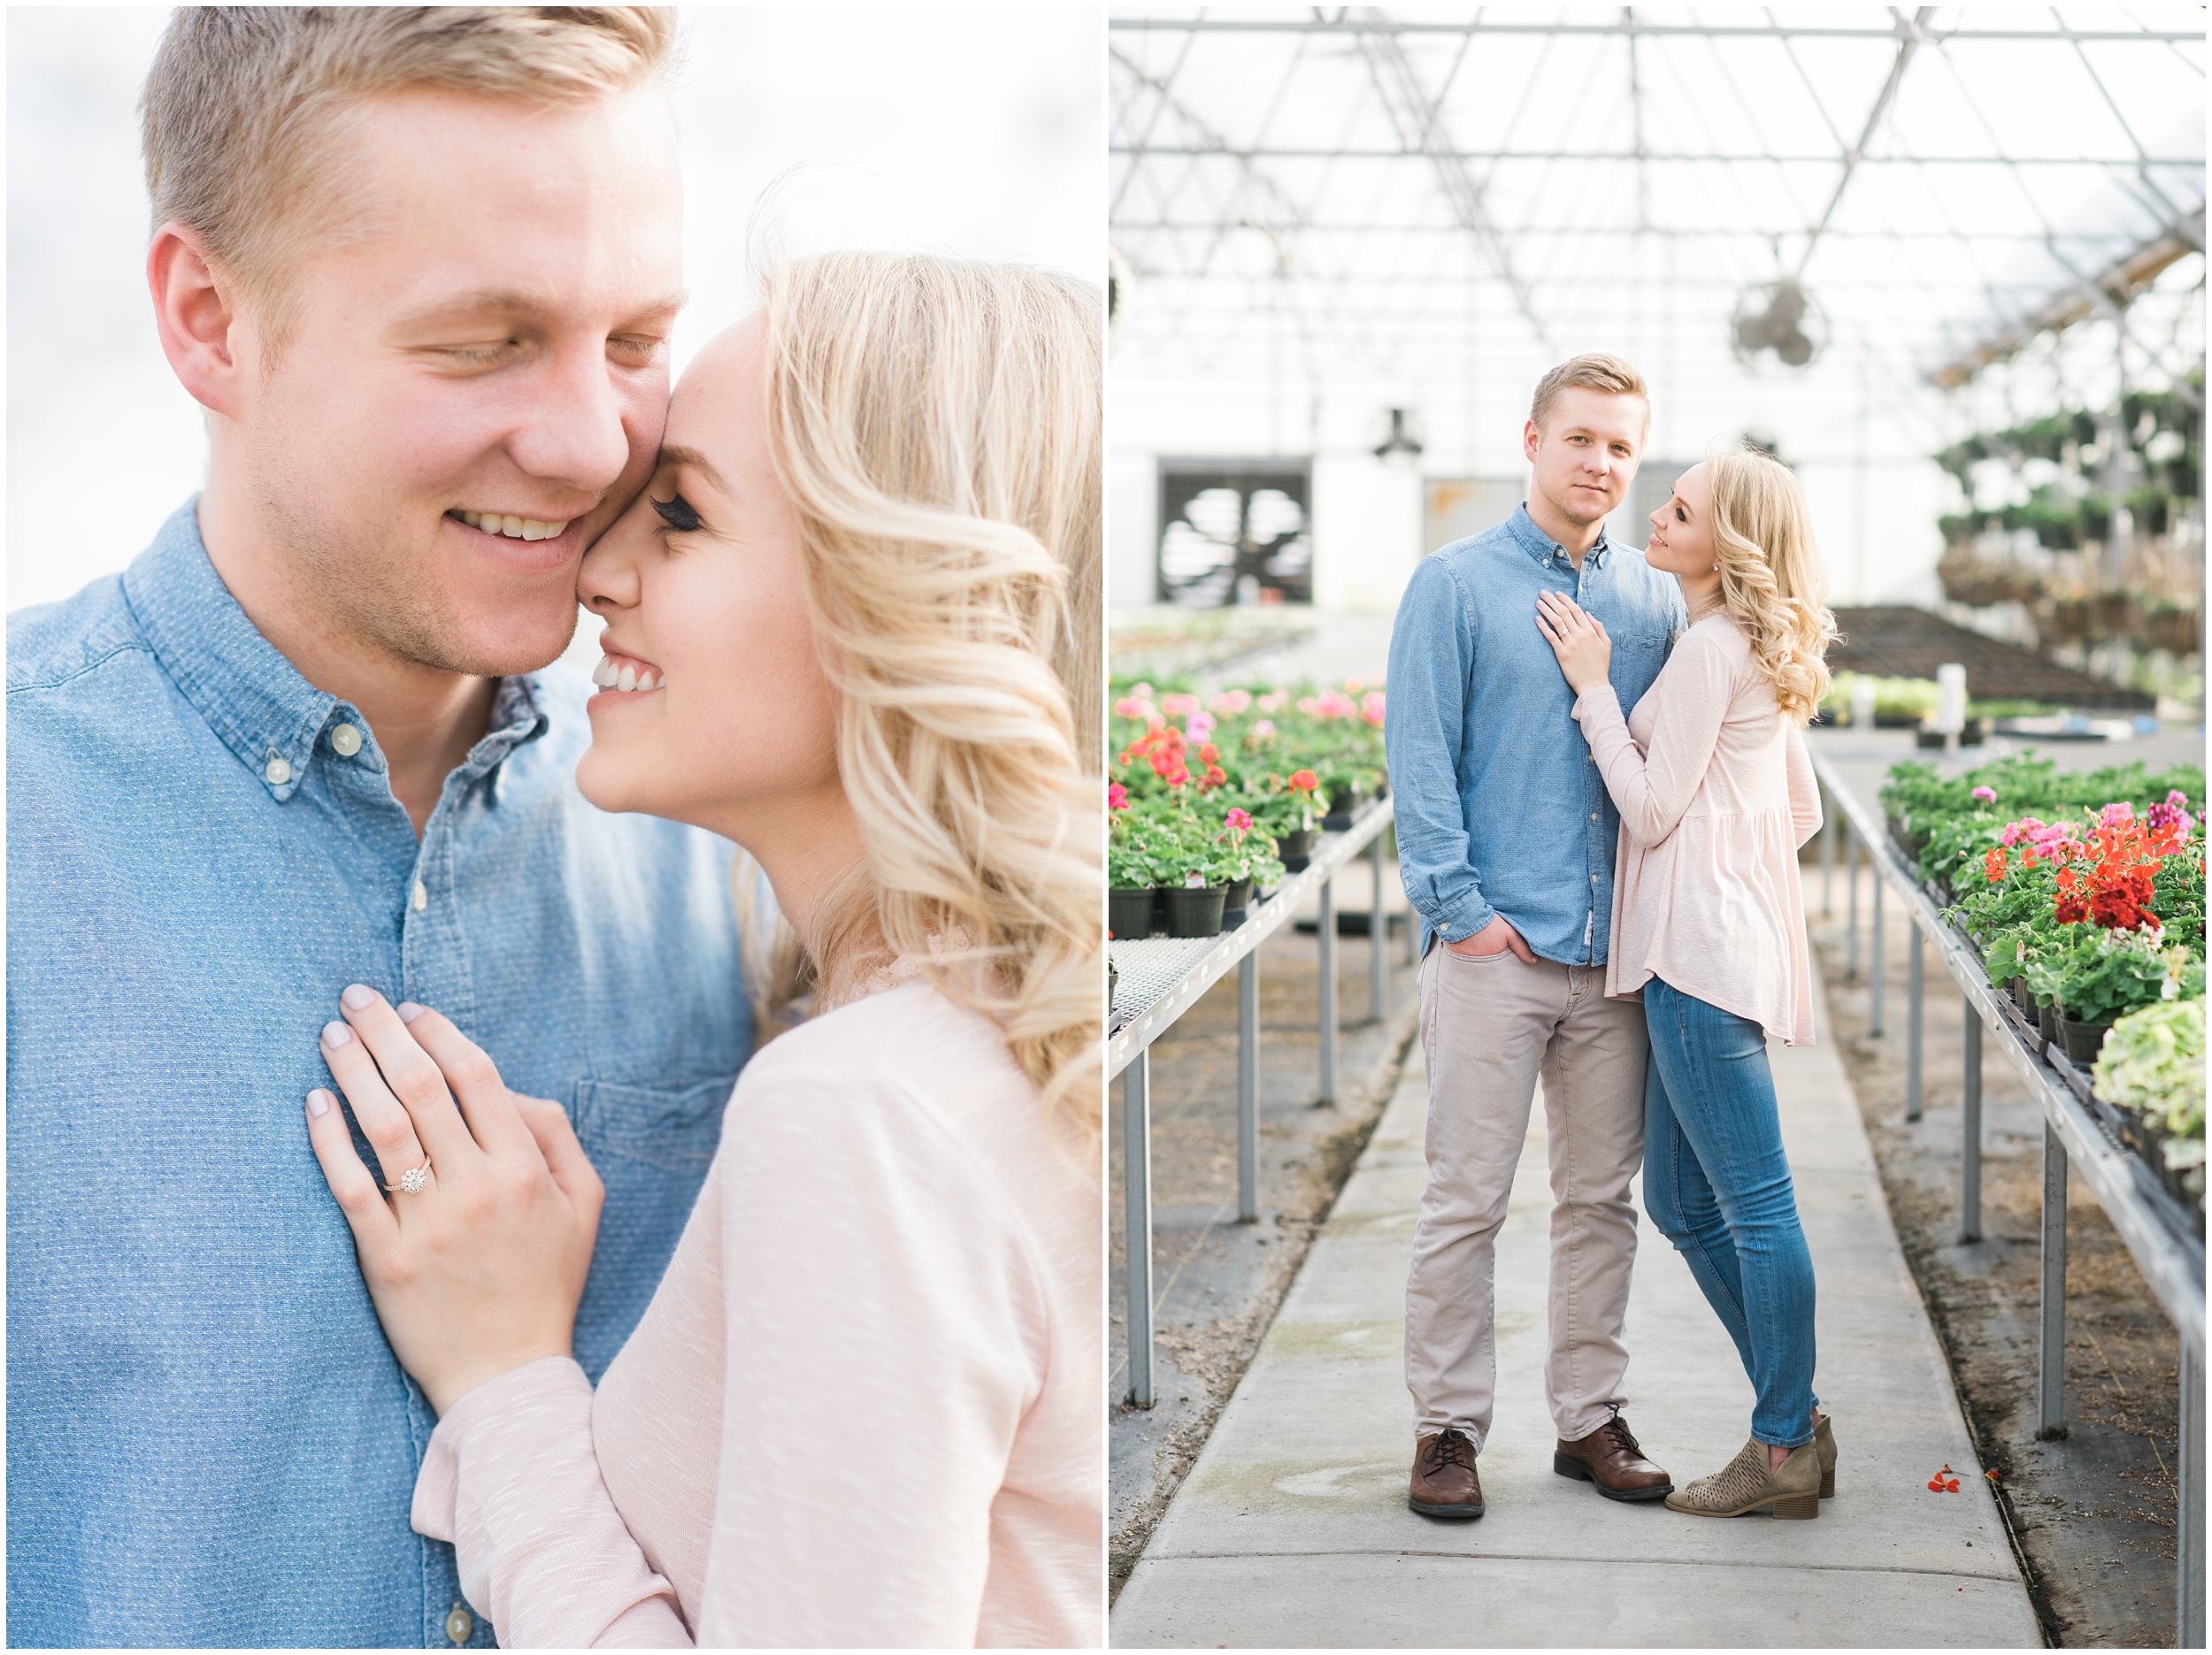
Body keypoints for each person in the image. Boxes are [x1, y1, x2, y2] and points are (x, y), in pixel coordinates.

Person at [6, 12, 753, 1646]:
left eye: (636, 337)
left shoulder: (744, 844)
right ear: (210, 321)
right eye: (483, 342)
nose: (587, 441)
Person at [294, 254, 1104, 1646]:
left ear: (898, 592)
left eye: (679, 513)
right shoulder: (1004, 1045)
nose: (597, 570)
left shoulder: (861, 1110)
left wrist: (504, 1382)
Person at [1385, 353, 1687, 1521]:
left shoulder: (1654, 600)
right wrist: (1463, 916)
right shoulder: (1453, 586)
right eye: (1581, 439)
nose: (1601, 464)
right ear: (1532, 439)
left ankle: (1590, 1417)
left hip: (1611, 962)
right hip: (1495, 956)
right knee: (1465, 1197)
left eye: (1621, 446)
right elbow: (1421, 766)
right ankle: (1447, 1427)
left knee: (1599, 1198)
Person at [1533, 444, 1837, 1520]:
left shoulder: (1713, 647)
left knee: (1753, 1204)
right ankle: (1793, 1413)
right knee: (1675, 1196)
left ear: (1729, 543)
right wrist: (1728, 854)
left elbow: (1652, 808)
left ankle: (1782, 1437)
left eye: (1680, 509)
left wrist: (1591, 692)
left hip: (1694, 953)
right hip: (1712, 941)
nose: (1654, 515)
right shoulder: (1749, 642)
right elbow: (1794, 812)